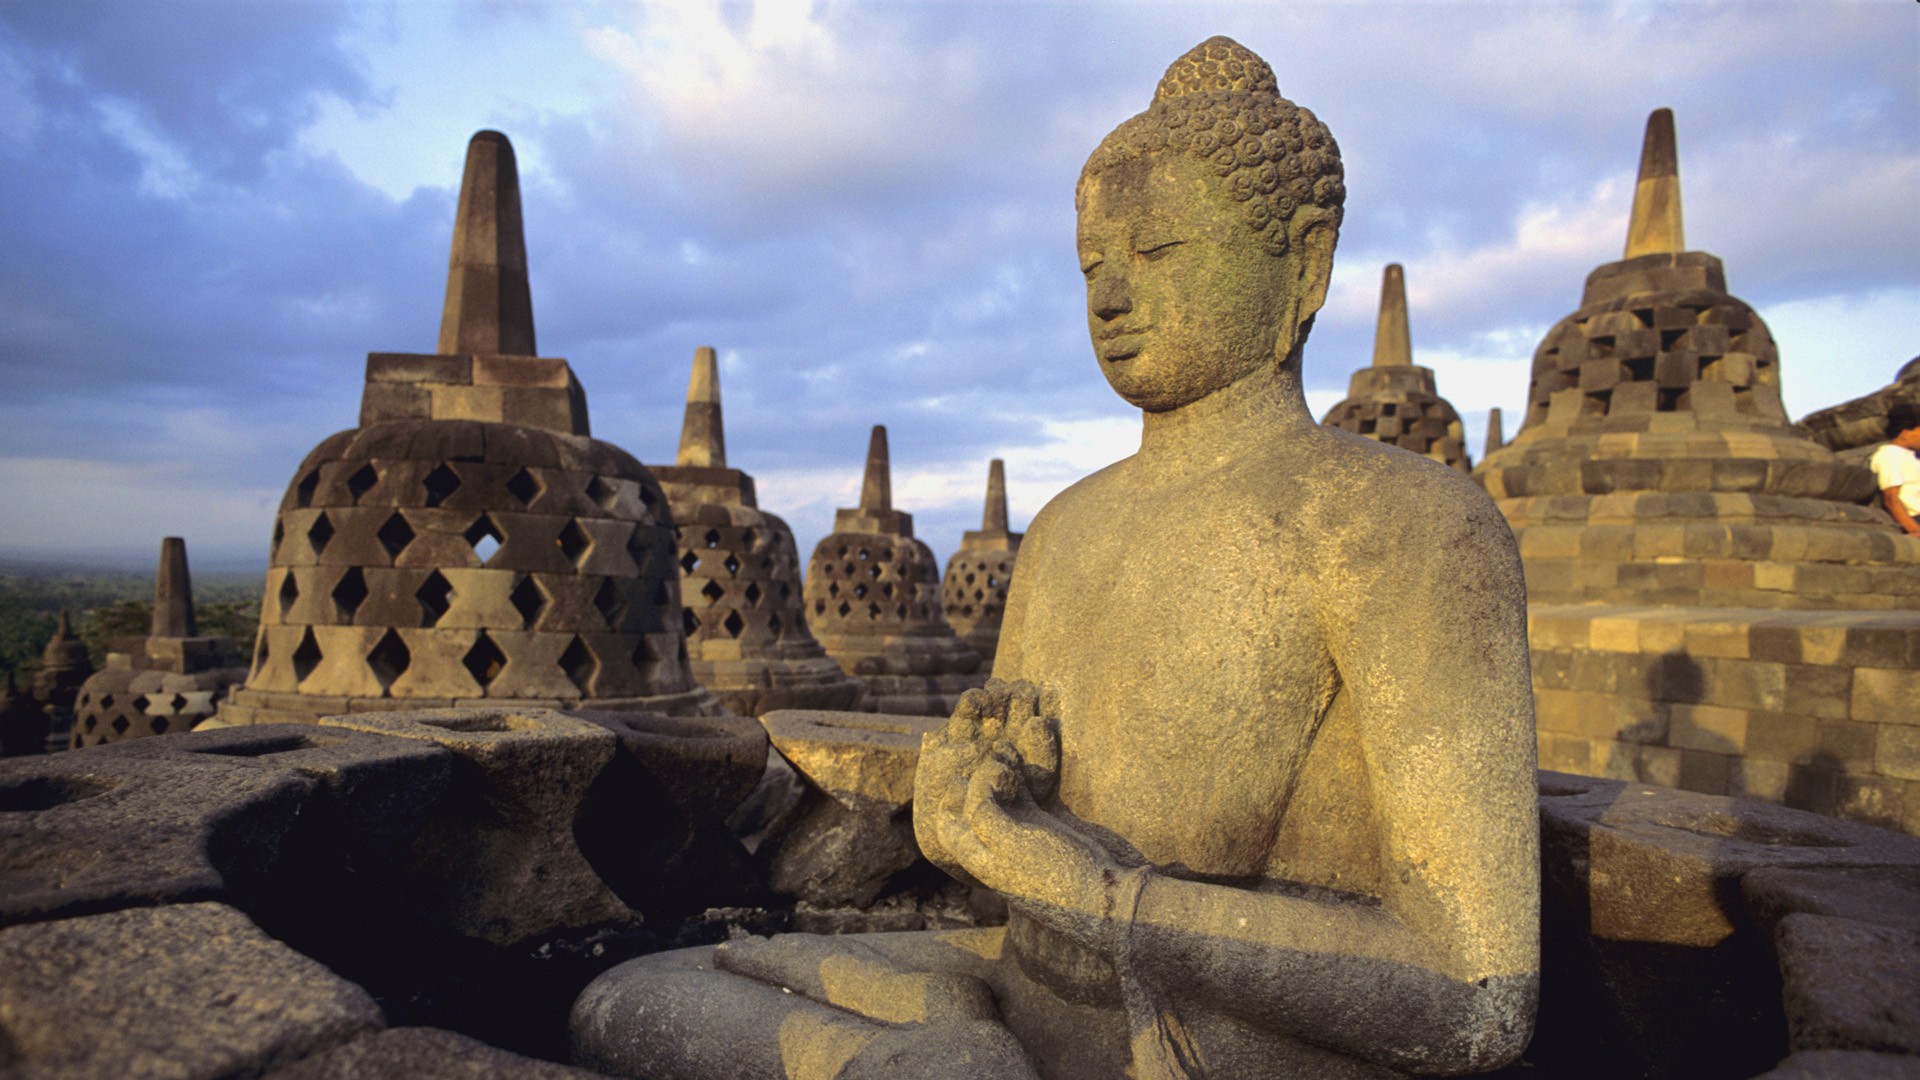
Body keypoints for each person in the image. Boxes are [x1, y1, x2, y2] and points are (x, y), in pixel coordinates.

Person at [571, 36, 1539, 1080]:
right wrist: (979, 809)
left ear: (1305, 262)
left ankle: (958, 1058)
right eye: (1092, 263)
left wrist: (1095, 894)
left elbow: (1475, 994)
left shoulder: (1403, 528)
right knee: (631, 997)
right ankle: (960, 1045)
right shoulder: (1068, 528)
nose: (1111, 295)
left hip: (1214, 1045)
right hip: (1021, 984)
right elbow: (1013, 864)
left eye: (1159, 252)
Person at [1870, 401, 1920, 538]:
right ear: (1905, 431)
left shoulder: (1912, 457)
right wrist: (1915, 530)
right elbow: (1891, 498)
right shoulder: (1890, 455)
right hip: (1914, 519)